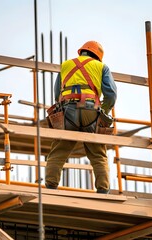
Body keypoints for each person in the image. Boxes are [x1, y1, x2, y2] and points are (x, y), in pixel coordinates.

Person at [45, 40, 117, 193]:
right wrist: (103, 112)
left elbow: (57, 93)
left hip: (67, 109)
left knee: (59, 150)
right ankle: (103, 191)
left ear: (82, 51)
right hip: (91, 111)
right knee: (98, 153)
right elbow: (111, 95)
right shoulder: (101, 67)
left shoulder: (65, 65)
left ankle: (50, 187)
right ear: (97, 56)